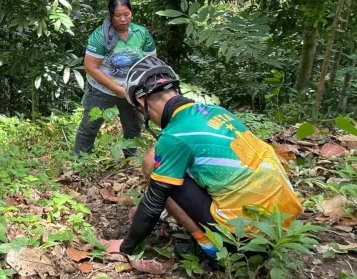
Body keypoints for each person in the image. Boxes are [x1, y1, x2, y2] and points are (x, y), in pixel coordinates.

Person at [106, 56, 302, 261]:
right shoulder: (217, 111)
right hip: (283, 225)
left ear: (141, 101)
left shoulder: (175, 134)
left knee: (155, 166)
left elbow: (155, 201)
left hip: (244, 239)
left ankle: (211, 249)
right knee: (161, 161)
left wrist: (125, 246)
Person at [73, 0, 157, 156]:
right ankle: (79, 162)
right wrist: (117, 89)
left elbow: (152, 61)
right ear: (111, 16)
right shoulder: (99, 36)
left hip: (132, 87)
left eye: (127, 14)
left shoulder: (141, 33)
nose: (123, 19)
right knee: (90, 126)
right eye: (118, 15)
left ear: (131, 13)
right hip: (101, 88)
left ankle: (130, 160)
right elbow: (90, 66)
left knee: (133, 126)